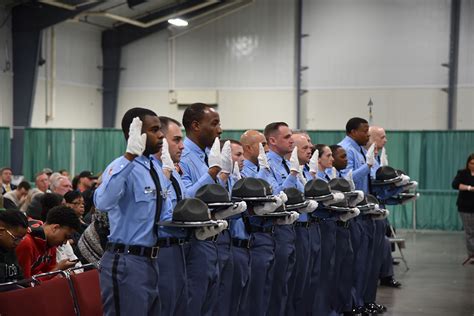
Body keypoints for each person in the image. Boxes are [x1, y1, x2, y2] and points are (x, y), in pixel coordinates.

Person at [94, 107, 173, 315]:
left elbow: (164, 216)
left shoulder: (154, 167)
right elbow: (102, 202)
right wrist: (129, 157)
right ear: (135, 134)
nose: (161, 135)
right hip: (126, 260)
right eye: (155, 130)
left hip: (152, 261)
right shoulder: (120, 166)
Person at [179, 103, 223, 315]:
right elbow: (186, 199)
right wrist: (213, 172)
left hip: (214, 240)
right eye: (214, 124)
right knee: (194, 305)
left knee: (211, 306)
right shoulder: (183, 157)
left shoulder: (207, 155)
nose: (220, 129)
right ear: (196, 125)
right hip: (193, 243)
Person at [338, 117, 376, 314]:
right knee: (354, 263)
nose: (367, 134)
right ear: (353, 131)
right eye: (364, 131)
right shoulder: (346, 149)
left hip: (364, 210)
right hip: (353, 212)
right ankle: (352, 303)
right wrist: (367, 167)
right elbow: (347, 181)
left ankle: (360, 301)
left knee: (364, 263)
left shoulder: (360, 149)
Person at [264, 122, 302, 316]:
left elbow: (300, 195)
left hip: (291, 227)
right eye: (287, 137)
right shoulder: (267, 165)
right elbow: (277, 195)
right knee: (277, 285)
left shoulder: (286, 163)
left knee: (289, 283)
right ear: (272, 140)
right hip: (276, 230)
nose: (292, 140)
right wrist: (293, 175)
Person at [155, 116, 189, 316]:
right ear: (160, 138)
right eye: (176, 140)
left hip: (180, 247)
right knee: (164, 307)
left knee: (179, 307)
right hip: (160, 248)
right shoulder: (152, 170)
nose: (182, 146)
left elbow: (183, 204)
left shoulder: (174, 171)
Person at [15, 205, 80, 278]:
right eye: (66, 237)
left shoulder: (50, 244)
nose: (64, 242)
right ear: (55, 228)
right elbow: (25, 282)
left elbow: (49, 275)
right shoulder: (26, 243)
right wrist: (57, 269)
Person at [452, 153, 474, 265]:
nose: (473, 166)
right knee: (469, 232)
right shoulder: (462, 173)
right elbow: (455, 185)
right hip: (465, 207)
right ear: (468, 163)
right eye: (471, 163)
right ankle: (472, 255)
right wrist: (469, 188)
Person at [0, 210, 28, 284]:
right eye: (16, 238)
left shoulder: (10, 248)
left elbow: (20, 278)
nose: (18, 243)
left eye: (21, 239)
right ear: (1, 231)